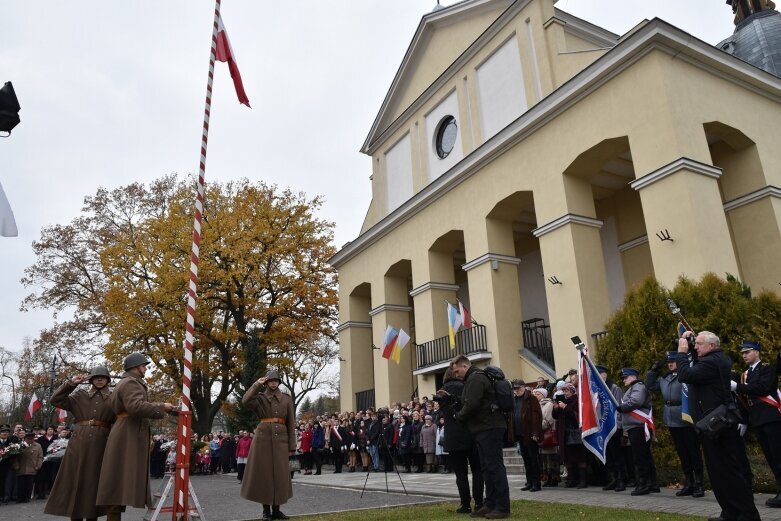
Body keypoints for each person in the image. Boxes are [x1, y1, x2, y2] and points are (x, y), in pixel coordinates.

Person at [677, 331, 761, 521]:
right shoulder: (709, 359)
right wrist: (689, 345)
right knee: (718, 474)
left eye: (699, 344)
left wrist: (682, 352)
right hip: (710, 425)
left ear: (712, 345)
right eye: (694, 343)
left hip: (720, 425)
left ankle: (749, 515)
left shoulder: (713, 361)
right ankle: (730, 512)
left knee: (730, 472)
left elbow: (685, 374)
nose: (695, 346)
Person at [96, 352, 176, 520]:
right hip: (127, 434)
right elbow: (135, 406)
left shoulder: (128, 382)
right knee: (119, 480)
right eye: (144, 365)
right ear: (136, 367)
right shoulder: (130, 383)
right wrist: (162, 406)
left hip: (127, 431)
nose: (146, 368)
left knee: (120, 481)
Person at [440, 355, 509, 519]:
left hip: (489, 427)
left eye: (457, 371)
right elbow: (470, 401)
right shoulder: (473, 379)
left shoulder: (476, 378)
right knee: (486, 468)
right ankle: (490, 503)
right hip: (483, 427)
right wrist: (454, 400)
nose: (456, 374)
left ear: (465, 366)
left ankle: (502, 507)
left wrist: (458, 416)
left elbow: (471, 404)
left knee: (494, 467)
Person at [45, 365, 116, 521]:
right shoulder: (80, 395)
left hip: (102, 443)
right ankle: (74, 516)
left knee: (94, 482)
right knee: (74, 479)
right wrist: (71, 384)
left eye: (102, 377)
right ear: (90, 379)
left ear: (107, 380)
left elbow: (121, 420)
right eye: (96, 376)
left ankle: (92, 516)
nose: (99, 379)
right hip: (78, 443)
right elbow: (55, 400)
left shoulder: (114, 397)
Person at [646, 351, 704, 498]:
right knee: (682, 452)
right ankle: (689, 483)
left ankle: (699, 484)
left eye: (673, 361)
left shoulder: (685, 376)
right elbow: (650, 385)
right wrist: (653, 370)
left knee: (693, 451)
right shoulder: (665, 378)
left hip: (685, 417)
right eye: (668, 362)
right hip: (671, 418)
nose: (670, 364)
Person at [240, 370, 295, 521]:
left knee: (280, 476)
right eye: (270, 380)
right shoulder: (260, 398)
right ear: (266, 382)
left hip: (281, 440)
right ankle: (266, 511)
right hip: (262, 440)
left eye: (276, 380)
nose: (273, 383)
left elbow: (291, 423)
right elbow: (245, 401)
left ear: (279, 382)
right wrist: (256, 384)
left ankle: (277, 510)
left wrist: (292, 445)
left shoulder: (287, 399)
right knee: (264, 475)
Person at [732, 340, 781, 508]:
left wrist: (738, 386)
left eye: (747, 352)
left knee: (778, 455)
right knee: (770, 456)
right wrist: (743, 421)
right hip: (757, 419)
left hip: (771, 417)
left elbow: (763, 388)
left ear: (757, 352)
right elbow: (744, 401)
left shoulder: (767, 369)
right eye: (743, 353)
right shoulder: (745, 374)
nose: (744, 355)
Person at [436, 366, 484, 514]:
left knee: (460, 473)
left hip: (454, 436)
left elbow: (444, 413)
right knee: (477, 470)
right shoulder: (466, 386)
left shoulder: (442, 391)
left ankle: (465, 504)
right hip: (470, 433)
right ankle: (479, 503)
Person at [617, 368, 658, 496]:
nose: (623, 380)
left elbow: (636, 401)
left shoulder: (638, 386)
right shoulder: (633, 388)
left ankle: (644, 484)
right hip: (636, 426)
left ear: (633, 377)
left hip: (638, 426)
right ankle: (652, 483)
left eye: (625, 377)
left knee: (640, 456)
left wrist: (622, 407)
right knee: (644, 455)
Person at [596, 365, 626, 492]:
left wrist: (618, 426)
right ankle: (612, 479)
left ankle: (621, 480)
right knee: (608, 455)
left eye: (601, 373)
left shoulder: (614, 388)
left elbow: (619, 408)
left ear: (605, 375)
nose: (599, 376)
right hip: (603, 427)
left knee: (617, 455)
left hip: (613, 427)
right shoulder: (596, 389)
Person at [552, 382, 587, 489]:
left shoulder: (577, 401)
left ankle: (583, 481)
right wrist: (556, 408)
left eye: (566, 391)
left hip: (575, 434)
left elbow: (577, 416)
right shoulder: (563, 401)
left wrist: (565, 407)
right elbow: (556, 417)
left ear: (572, 391)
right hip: (564, 435)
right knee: (568, 459)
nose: (565, 393)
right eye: (563, 391)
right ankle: (572, 480)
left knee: (579, 458)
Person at [509, 379, 542, 492]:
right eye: (515, 388)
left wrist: (535, 433)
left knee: (533, 460)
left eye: (518, 388)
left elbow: (537, 417)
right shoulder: (514, 400)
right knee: (526, 460)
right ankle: (529, 482)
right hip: (519, 434)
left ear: (524, 387)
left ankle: (536, 483)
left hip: (530, 434)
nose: (517, 390)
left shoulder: (531, 398)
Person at [533, 388, 559, 487]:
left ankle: (554, 478)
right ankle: (547, 477)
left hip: (548, 433)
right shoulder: (537, 405)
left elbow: (548, 420)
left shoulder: (549, 405)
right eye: (535, 393)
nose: (536, 395)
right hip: (541, 435)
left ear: (544, 395)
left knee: (551, 458)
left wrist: (536, 425)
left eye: (538, 393)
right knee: (544, 459)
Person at [13, 431, 43, 503]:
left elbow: (40, 457)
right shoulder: (19, 445)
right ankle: (20, 498)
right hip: (21, 468)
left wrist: (38, 466)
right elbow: (15, 457)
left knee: (29, 485)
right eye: (28, 438)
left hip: (32, 468)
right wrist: (16, 466)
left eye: (31, 438)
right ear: (25, 438)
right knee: (20, 485)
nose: (30, 439)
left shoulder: (38, 446)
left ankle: (27, 498)